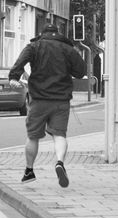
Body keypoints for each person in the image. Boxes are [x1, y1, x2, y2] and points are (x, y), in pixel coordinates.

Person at [9, 23, 87, 188]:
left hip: (39, 100)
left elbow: (20, 62)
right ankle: (59, 162)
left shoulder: (34, 46)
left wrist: (13, 77)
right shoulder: (67, 49)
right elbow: (81, 72)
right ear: (57, 33)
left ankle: (29, 171)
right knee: (59, 135)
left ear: (41, 33)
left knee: (33, 136)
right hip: (61, 100)